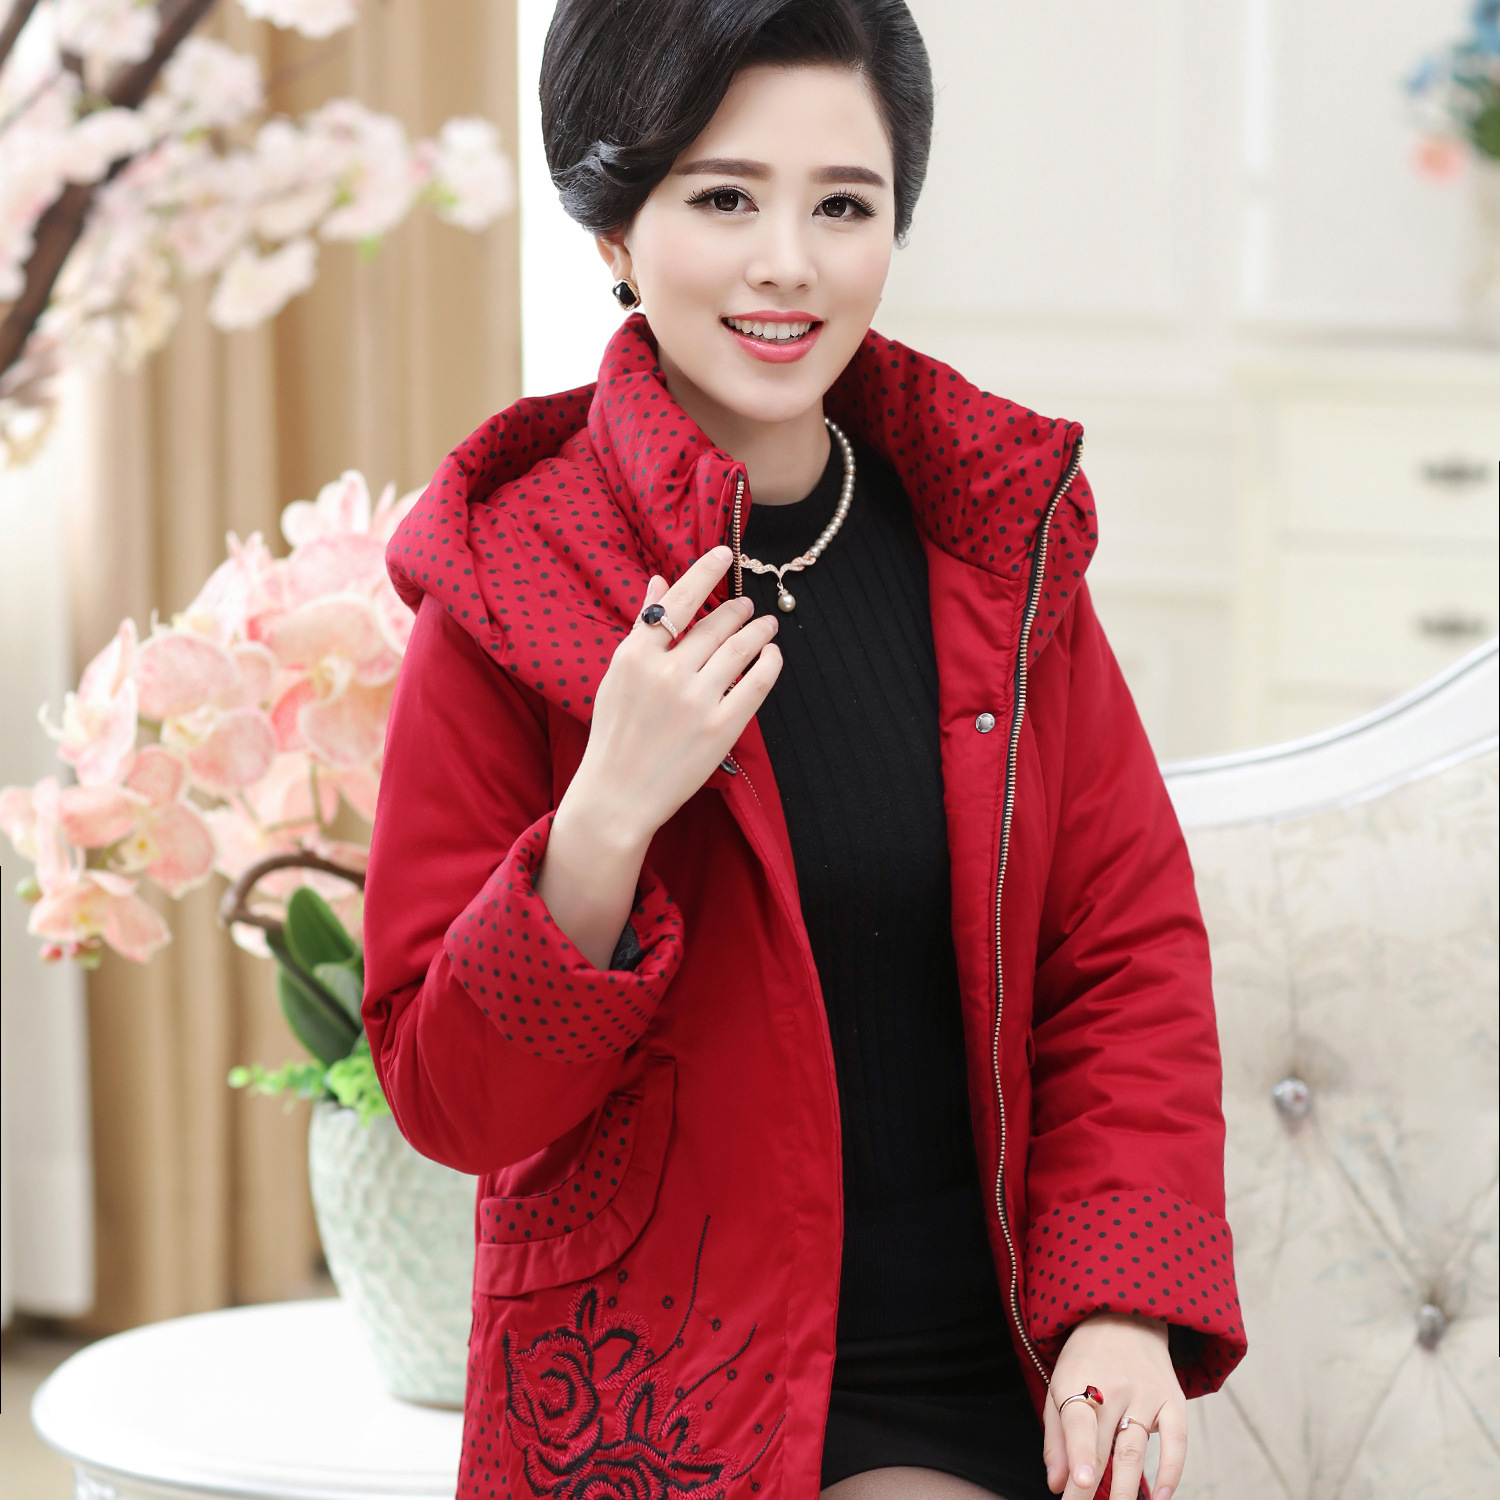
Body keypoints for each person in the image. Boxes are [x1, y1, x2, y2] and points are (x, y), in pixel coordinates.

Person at [362, 3, 1246, 1498]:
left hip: (1003, 1367)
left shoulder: (992, 538)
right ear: (614, 229)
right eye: (724, 198)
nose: (789, 262)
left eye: (844, 205)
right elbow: (454, 1106)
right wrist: (605, 817)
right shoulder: (513, 574)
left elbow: (1123, 953)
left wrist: (1121, 1306)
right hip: (675, 1398)